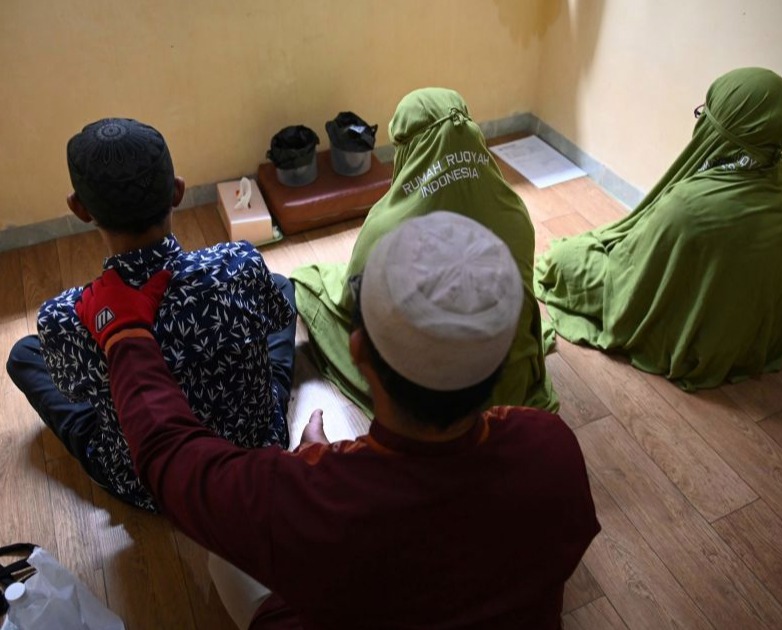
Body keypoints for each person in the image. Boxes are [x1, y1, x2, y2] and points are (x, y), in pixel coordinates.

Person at [75, 211, 600, 629]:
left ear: (359, 352)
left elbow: (171, 460)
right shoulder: (550, 447)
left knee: (223, 560)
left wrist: (124, 333)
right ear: (502, 356)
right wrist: (317, 473)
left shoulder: (304, 500)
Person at [5, 118, 296, 512]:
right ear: (177, 191)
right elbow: (274, 319)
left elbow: (73, 391)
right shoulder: (238, 263)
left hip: (149, 479)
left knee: (24, 354)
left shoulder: (64, 317)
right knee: (278, 286)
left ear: (79, 209)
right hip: (255, 447)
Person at [535, 67, 782, 390]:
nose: (700, 120)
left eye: (707, 114)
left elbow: (630, 281)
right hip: (746, 331)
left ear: (726, 127)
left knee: (563, 258)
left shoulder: (689, 207)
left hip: (693, 327)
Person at [292, 87, 558, 415]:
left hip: (423, 404)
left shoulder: (384, 229)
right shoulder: (514, 211)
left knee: (310, 282)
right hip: (507, 386)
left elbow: (352, 302)